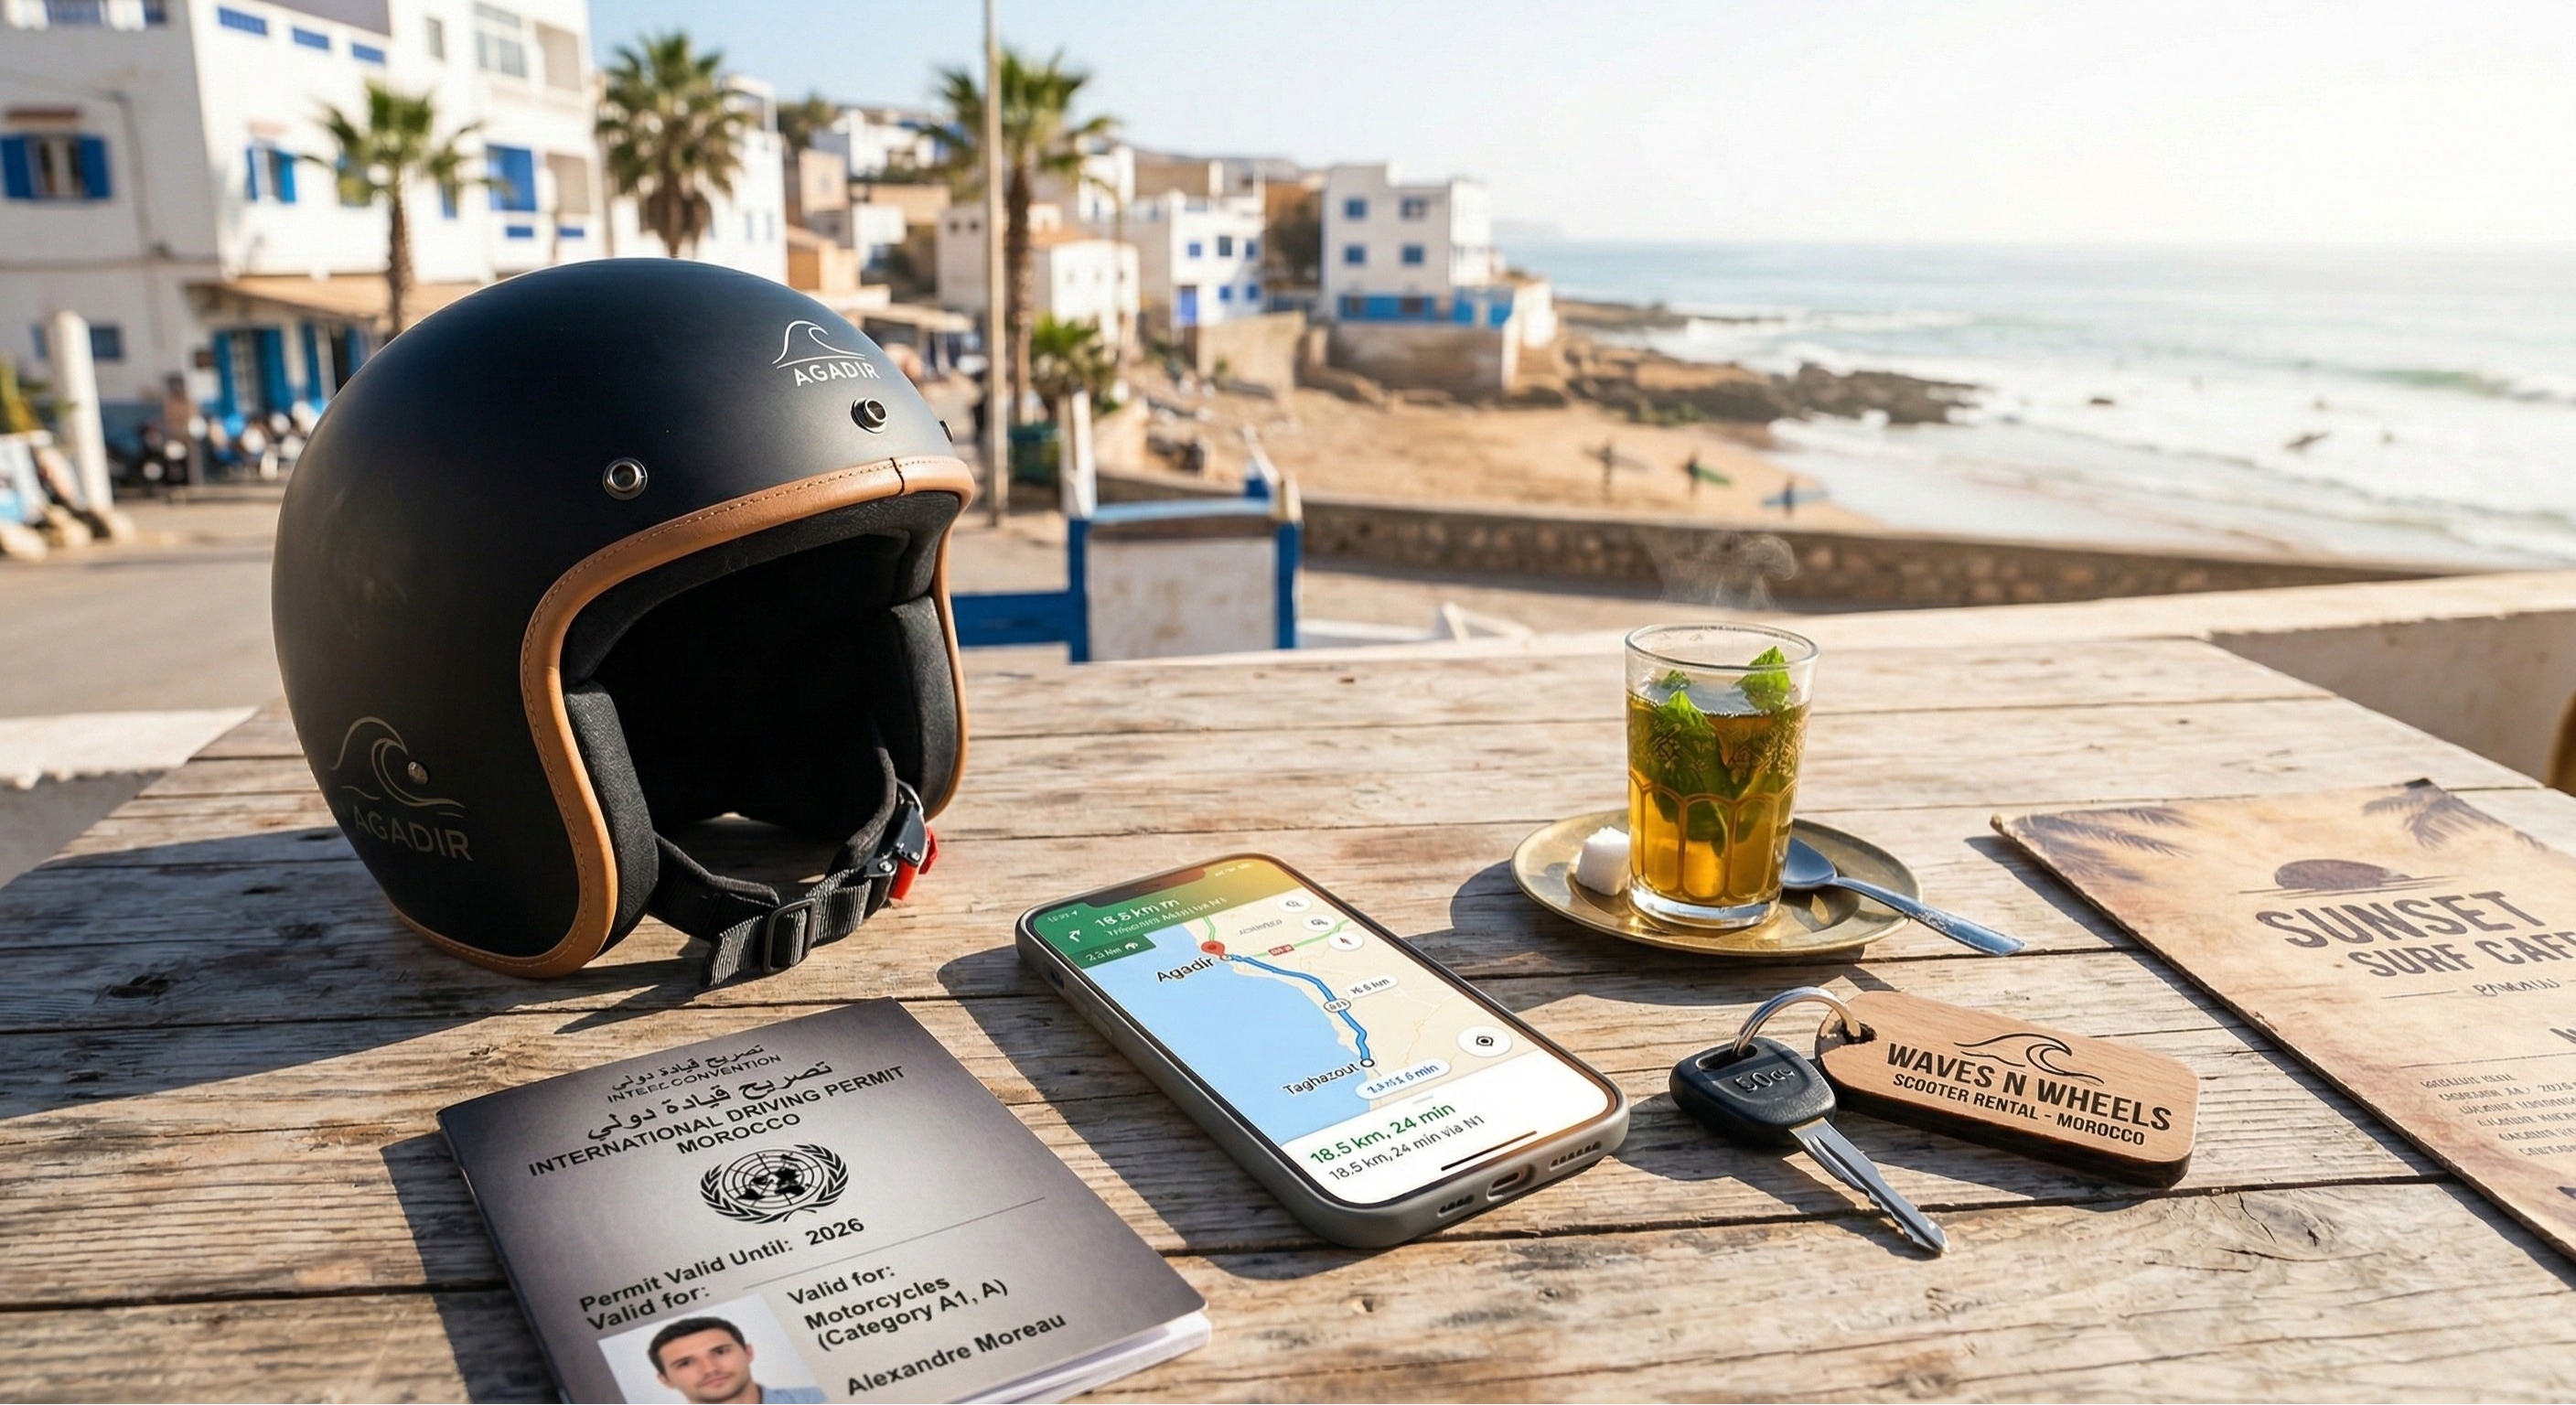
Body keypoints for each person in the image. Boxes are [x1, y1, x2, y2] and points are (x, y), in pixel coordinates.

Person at [646, 1317, 822, 1405]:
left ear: (748, 1352)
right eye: (685, 1363)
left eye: (720, 1352)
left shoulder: (821, 1398)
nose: (710, 1369)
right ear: (666, 1380)